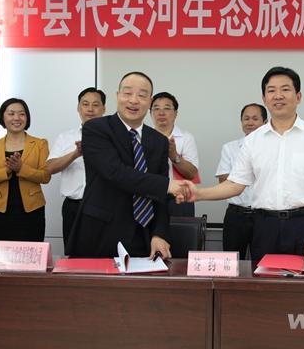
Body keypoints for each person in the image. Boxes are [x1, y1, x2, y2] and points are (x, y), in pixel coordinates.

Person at [181, 66, 304, 264]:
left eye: (285, 89)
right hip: (264, 226)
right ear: (264, 98)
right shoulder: (253, 140)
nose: (278, 96)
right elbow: (235, 184)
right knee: (263, 282)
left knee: (303, 282)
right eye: (271, 90)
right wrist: (198, 194)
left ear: (298, 96)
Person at [65, 71, 187, 259]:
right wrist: (167, 185)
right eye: (128, 93)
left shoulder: (159, 141)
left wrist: (159, 234)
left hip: (143, 236)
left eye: (142, 95)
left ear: (149, 102)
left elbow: (160, 197)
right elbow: (115, 173)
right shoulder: (95, 129)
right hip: (99, 234)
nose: (134, 100)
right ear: (117, 96)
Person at [0, 98, 51, 241]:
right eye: (11, 113)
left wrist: (21, 168)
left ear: (27, 117)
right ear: (3, 117)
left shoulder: (40, 144)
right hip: (1, 211)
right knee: (3, 253)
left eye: (21, 114)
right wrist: (6, 170)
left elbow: (45, 176)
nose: (17, 118)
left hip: (32, 211)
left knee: (31, 252)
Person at [46, 87, 106, 247]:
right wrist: (75, 154)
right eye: (85, 104)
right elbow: (49, 168)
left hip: (104, 206)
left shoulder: (113, 138)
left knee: (102, 253)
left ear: (104, 109)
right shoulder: (65, 137)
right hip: (74, 206)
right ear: (78, 108)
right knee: (73, 253)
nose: (90, 109)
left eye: (95, 105)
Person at [215, 103, 267, 259]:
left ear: (265, 122)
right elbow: (223, 180)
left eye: (255, 119)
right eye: (246, 118)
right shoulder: (230, 148)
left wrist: (240, 177)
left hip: (264, 215)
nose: (250, 122)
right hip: (237, 215)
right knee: (232, 261)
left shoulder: (274, 148)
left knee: (263, 262)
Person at [151, 91, 199, 217]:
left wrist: (174, 156)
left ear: (176, 113)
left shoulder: (186, 137)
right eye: (156, 108)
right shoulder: (142, 137)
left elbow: (191, 173)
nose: (161, 113)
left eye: (167, 108)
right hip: (150, 197)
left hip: (179, 198)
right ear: (150, 113)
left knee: (181, 230)